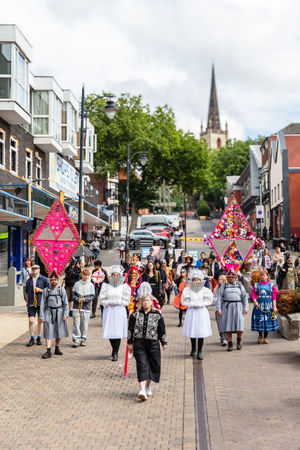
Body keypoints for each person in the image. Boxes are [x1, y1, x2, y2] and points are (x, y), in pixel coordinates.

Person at [128, 294, 167, 401]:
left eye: (148, 300)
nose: (145, 302)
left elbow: (162, 329)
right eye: (144, 301)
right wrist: (130, 342)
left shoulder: (157, 315)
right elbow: (130, 329)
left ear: (151, 302)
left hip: (153, 344)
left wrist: (164, 342)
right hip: (139, 344)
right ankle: (142, 390)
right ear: (140, 303)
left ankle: (147, 386)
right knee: (142, 365)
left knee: (153, 366)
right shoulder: (135, 315)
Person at [100, 265, 131, 361]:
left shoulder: (124, 287)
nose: (115, 277)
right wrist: (108, 303)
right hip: (109, 310)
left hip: (119, 310)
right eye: (113, 275)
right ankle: (113, 349)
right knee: (110, 332)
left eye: (117, 275)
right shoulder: (106, 286)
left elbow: (127, 300)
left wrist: (119, 303)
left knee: (117, 332)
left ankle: (116, 352)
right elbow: (102, 299)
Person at [181, 269, 213, 360]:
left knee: (200, 332)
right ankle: (193, 349)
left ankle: (200, 351)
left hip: (201, 312)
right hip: (192, 312)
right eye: (194, 279)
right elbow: (184, 300)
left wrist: (201, 304)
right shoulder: (188, 290)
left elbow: (209, 300)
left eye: (197, 279)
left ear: (200, 280)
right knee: (193, 331)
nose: (195, 281)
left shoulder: (205, 290)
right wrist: (190, 304)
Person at [216, 268, 248, 351]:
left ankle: (239, 340)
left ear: (235, 277)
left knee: (239, 326)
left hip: (238, 306)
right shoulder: (224, 285)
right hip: (227, 307)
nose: (231, 278)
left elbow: (244, 297)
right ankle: (229, 343)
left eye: (232, 277)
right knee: (228, 326)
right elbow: (219, 297)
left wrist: (246, 307)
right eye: (229, 277)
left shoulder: (240, 285)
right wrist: (218, 308)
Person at [39, 270, 69, 359]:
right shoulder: (46, 290)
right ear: (49, 280)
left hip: (59, 312)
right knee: (48, 330)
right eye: (52, 280)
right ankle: (48, 350)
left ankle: (57, 348)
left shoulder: (61, 290)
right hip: (48, 312)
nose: (53, 281)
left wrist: (65, 314)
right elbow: (43, 304)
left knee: (58, 330)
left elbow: (66, 303)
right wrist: (42, 316)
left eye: (55, 279)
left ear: (58, 280)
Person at [251, 269, 279, 344]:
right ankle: (260, 336)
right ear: (260, 277)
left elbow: (274, 296)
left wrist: (274, 306)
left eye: (264, 275)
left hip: (268, 306)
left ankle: (266, 337)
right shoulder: (256, 285)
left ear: (267, 276)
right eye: (262, 275)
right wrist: (255, 301)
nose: (263, 277)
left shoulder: (271, 285)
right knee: (259, 320)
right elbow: (253, 295)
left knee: (267, 321)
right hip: (259, 306)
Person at [25, 264, 50, 347]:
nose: (34, 270)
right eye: (33, 269)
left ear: (39, 270)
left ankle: (39, 337)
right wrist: (27, 302)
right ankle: (32, 337)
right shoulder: (29, 280)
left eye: (36, 268)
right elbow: (27, 292)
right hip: (31, 303)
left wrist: (40, 290)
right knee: (31, 320)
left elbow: (49, 291)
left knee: (40, 321)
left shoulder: (44, 279)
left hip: (41, 302)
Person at [72, 269, 95, 347]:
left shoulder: (91, 285)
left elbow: (92, 296)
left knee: (84, 324)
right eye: (85, 275)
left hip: (86, 308)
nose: (86, 277)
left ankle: (83, 339)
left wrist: (85, 300)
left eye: (87, 275)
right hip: (76, 307)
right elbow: (73, 294)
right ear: (82, 275)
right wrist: (77, 299)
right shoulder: (77, 284)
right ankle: (76, 339)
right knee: (76, 323)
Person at [213, 274, 227, 346]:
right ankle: (222, 337)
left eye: (221, 279)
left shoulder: (227, 288)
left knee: (226, 323)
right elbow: (213, 298)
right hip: (218, 309)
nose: (219, 281)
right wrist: (217, 300)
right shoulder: (216, 288)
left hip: (226, 308)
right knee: (219, 324)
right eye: (219, 279)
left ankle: (226, 337)